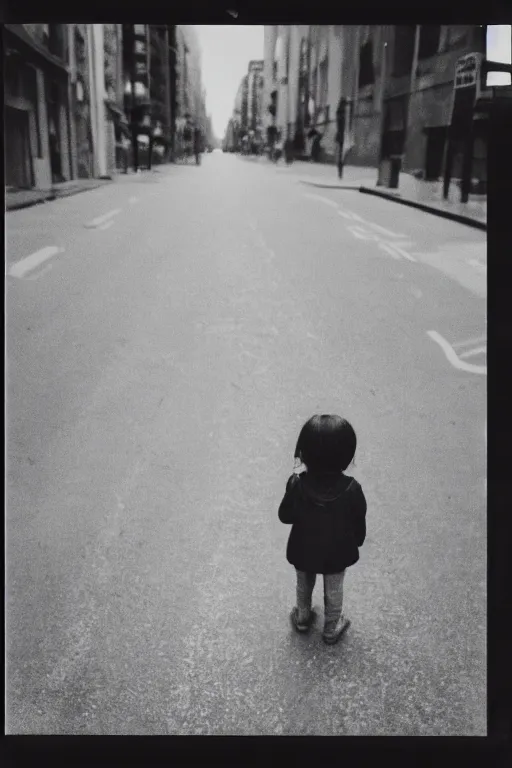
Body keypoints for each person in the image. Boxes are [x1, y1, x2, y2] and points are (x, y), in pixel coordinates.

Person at [278, 414, 367, 645]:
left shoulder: (297, 483)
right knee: (334, 590)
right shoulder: (352, 488)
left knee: (304, 584)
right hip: (337, 552)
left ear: (304, 453)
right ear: (346, 456)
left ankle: (302, 617)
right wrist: (357, 540)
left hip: (303, 548)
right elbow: (359, 521)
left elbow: (285, 516)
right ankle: (331, 626)